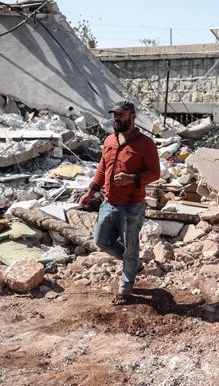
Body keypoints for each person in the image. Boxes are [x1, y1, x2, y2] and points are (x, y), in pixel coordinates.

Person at [79, 100, 160, 305]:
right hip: (109, 202)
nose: (116, 118)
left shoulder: (145, 144)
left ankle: (125, 288)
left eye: (121, 115)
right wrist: (91, 191)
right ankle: (132, 264)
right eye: (114, 115)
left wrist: (131, 179)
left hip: (132, 206)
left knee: (130, 247)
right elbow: (101, 168)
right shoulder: (109, 140)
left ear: (132, 117)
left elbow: (155, 173)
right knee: (100, 240)